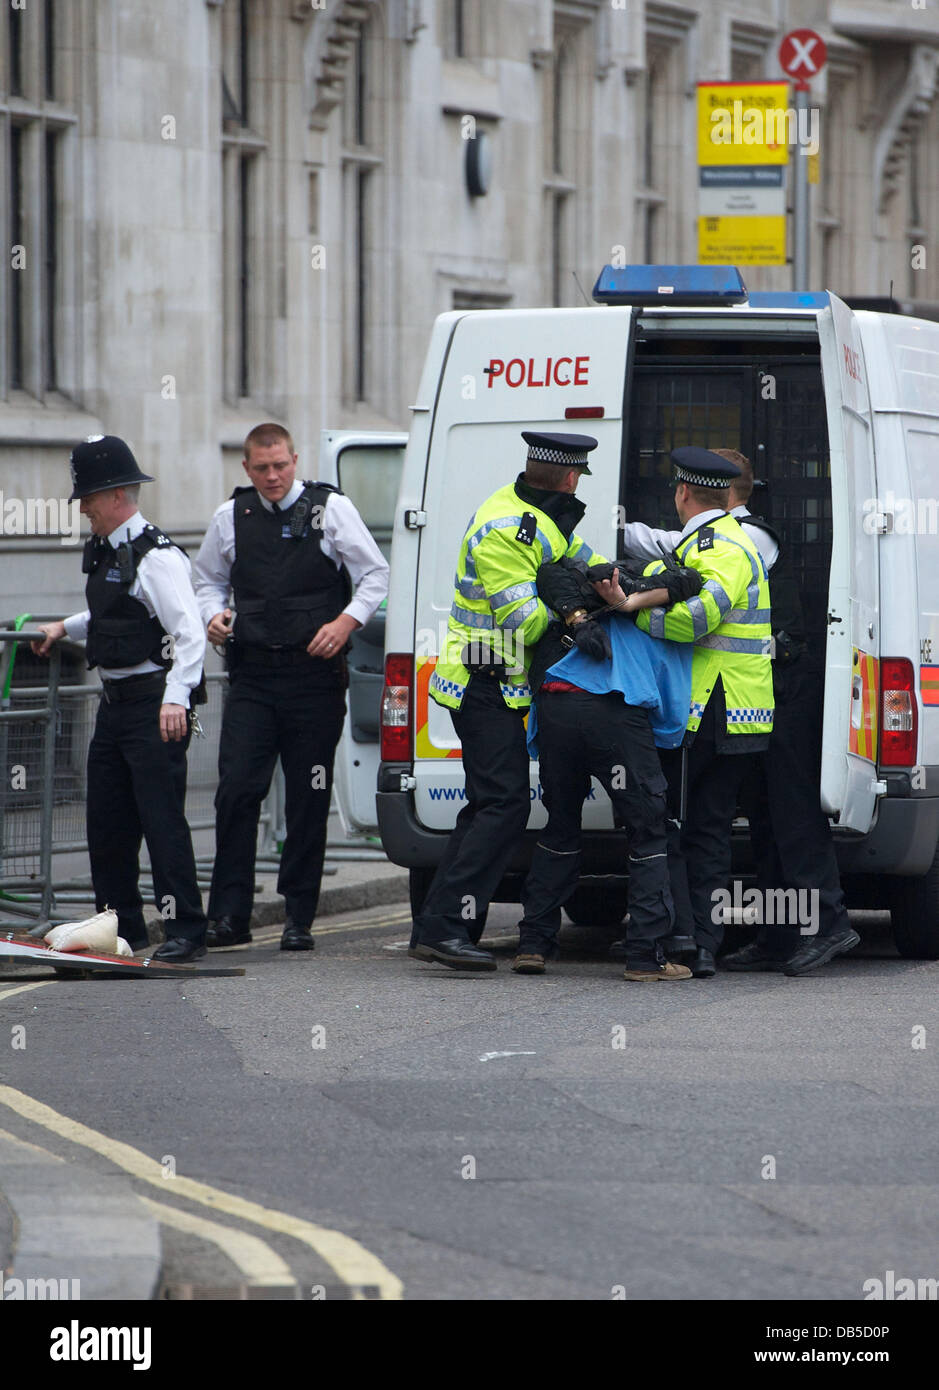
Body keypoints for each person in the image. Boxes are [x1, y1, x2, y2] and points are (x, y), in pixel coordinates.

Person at [410, 431, 608, 971]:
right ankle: (446, 927)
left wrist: (610, 583)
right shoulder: (507, 528)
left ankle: (439, 925)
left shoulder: (541, 520)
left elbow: (589, 567)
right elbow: (524, 620)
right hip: (480, 682)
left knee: (485, 806)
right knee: (504, 804)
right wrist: (573, 607)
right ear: (569, 478)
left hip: (495, 683)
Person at [193, 422, 388, 952]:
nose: (273, 476)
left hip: (313, 680)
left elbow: (375, 574)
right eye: (262, 468)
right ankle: (228, 916)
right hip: (253, 677)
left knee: (308, 795)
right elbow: (206, 579)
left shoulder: (331, 510)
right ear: (246, 468)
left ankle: (298, 916)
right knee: (237, 793)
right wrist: (213, 616)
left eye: (281, 465)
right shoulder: (229, 516)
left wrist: (346, 622)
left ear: (296, 460)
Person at [32, 435, 209, 962]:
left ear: (114, 496)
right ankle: (120, 927)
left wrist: (176, 699)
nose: (82, 508)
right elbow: (113, 615)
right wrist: (65, 626)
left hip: (153, 703)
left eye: (87, 497)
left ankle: (186, 931)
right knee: (107, 822)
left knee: (161, 821)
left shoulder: (156, 556)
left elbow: (190, 632)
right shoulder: (111, 552)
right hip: (116, 703)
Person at [513, 553, 699, 980]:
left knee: (560, 825)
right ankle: (644, 957)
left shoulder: (583, 607)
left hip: (557, 704)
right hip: (614, 714)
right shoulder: (661, 623)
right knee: (648, 830)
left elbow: (550, 571)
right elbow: (670, 715)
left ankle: (533, 944)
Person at [629, 447, 775, 978]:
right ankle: (699, 940)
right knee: (707, 829)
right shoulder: (724, 540)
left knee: (689, 826)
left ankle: (688, 939)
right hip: (736, 711)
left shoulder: (719, 545)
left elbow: (699, 616)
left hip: (710, 709)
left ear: (683, 494)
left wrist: (634, 616)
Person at [720, 454, 860, 975]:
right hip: (760, 694)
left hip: (787, 691)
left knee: (794, 813)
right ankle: (779, 934)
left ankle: (828, 925)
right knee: (766, 815)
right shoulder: (732, 534)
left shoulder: (746, 537)